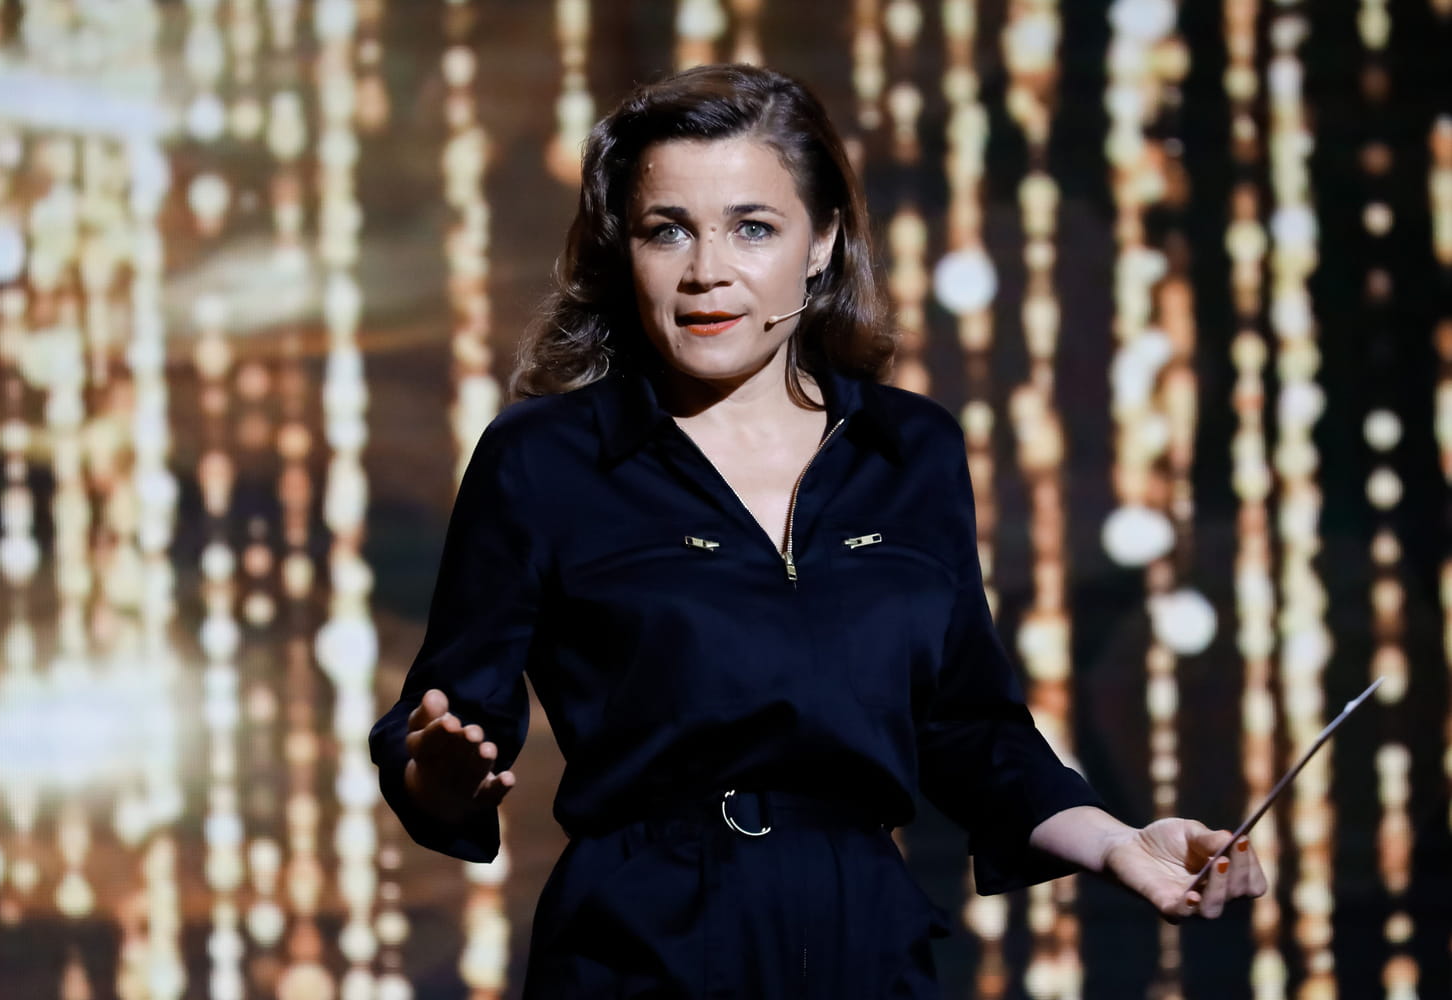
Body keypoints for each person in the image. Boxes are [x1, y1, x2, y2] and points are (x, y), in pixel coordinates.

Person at [370, 63, 1266, 997]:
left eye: (753, 228)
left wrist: (1120, 843)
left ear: (823, 241)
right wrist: (441, 775)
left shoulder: (909, 449)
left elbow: (971, 729)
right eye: (666, 230)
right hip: (641, 947)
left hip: (867, 944)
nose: (706, 271)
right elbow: (442, 718)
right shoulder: (547, 456)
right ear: (622, 251)